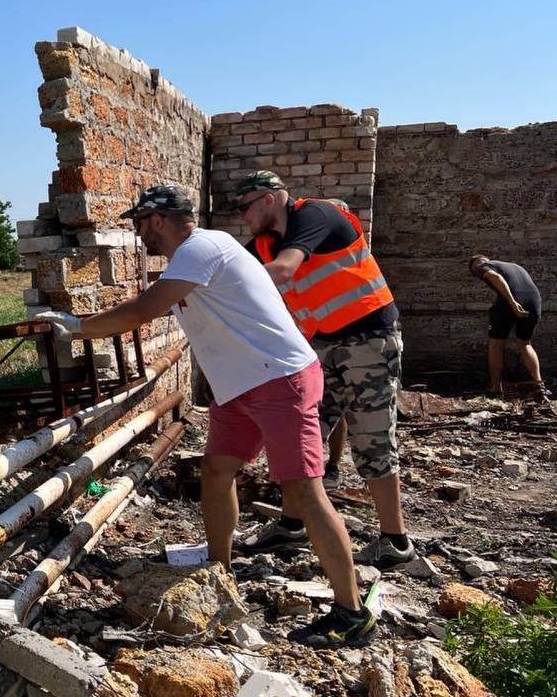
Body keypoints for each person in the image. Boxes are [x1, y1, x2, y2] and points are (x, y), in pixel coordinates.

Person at [35, 184, 375, 647]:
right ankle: (220, 571)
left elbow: (142, 310)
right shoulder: (198, 255)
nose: (139, 236)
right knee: (217, 471)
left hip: (278, 379)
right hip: (241, 385)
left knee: (304, 489)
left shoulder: (201, 247)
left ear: (158, 219)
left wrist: (78, 328)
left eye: (140, 224)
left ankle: (351, 614)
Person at [234, 171, 414, 570]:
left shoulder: (315, 215)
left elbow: (282, 271)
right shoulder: (265, 242)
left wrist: (226, 288)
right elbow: (231, 268)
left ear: (268, 199)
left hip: (369, 339)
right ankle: (292, 524)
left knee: (372, 439)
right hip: (320, 346)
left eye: (244, 208)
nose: (242, 217)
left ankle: (395, 541)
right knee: (303, 433)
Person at [468, 254, 544, 396]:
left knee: (496, 344)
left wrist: (513, 304)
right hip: (534, 302)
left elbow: (496, 278)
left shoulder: (480, 267)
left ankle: (495, 388)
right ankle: (539, 386)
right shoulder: (515, 266)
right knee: (525, 343)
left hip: (511, 302)